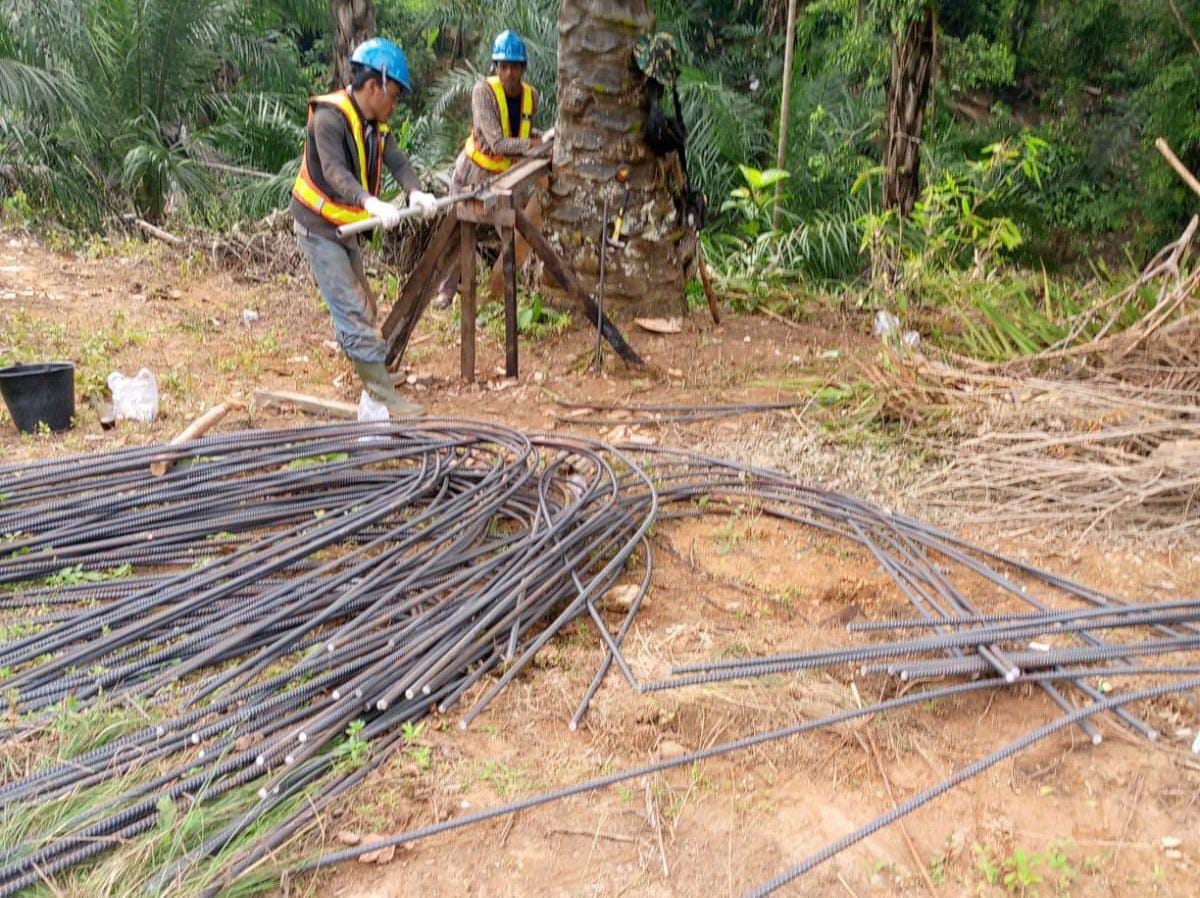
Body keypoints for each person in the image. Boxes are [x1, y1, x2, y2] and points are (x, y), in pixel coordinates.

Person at [290, 37, 437, 417]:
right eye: (394, 95)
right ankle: (382, 396)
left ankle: (373, 373)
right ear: (374, 86)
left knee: (367, 305)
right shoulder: (328, 118)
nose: (395, 104)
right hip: (317, 227)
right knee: (352, 308)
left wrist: (416, 192)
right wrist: (369, 202)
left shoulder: (374, 124)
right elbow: (336, 172)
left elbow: (399, 162)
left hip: (344, 226)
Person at [432, 30, 544, 308]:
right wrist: (533, 146)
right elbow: (496, 141)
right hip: (473, 171)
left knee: (515, 228)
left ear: (522, 68)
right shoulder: (483, 92)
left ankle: (512, 287)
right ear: (495, 67)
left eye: (514, 66)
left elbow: (521, 132)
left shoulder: (532, 96)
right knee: (458, 228)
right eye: (502, 66)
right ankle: (447, 289)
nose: (508, 73)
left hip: (506, 177)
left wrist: (540, 138)